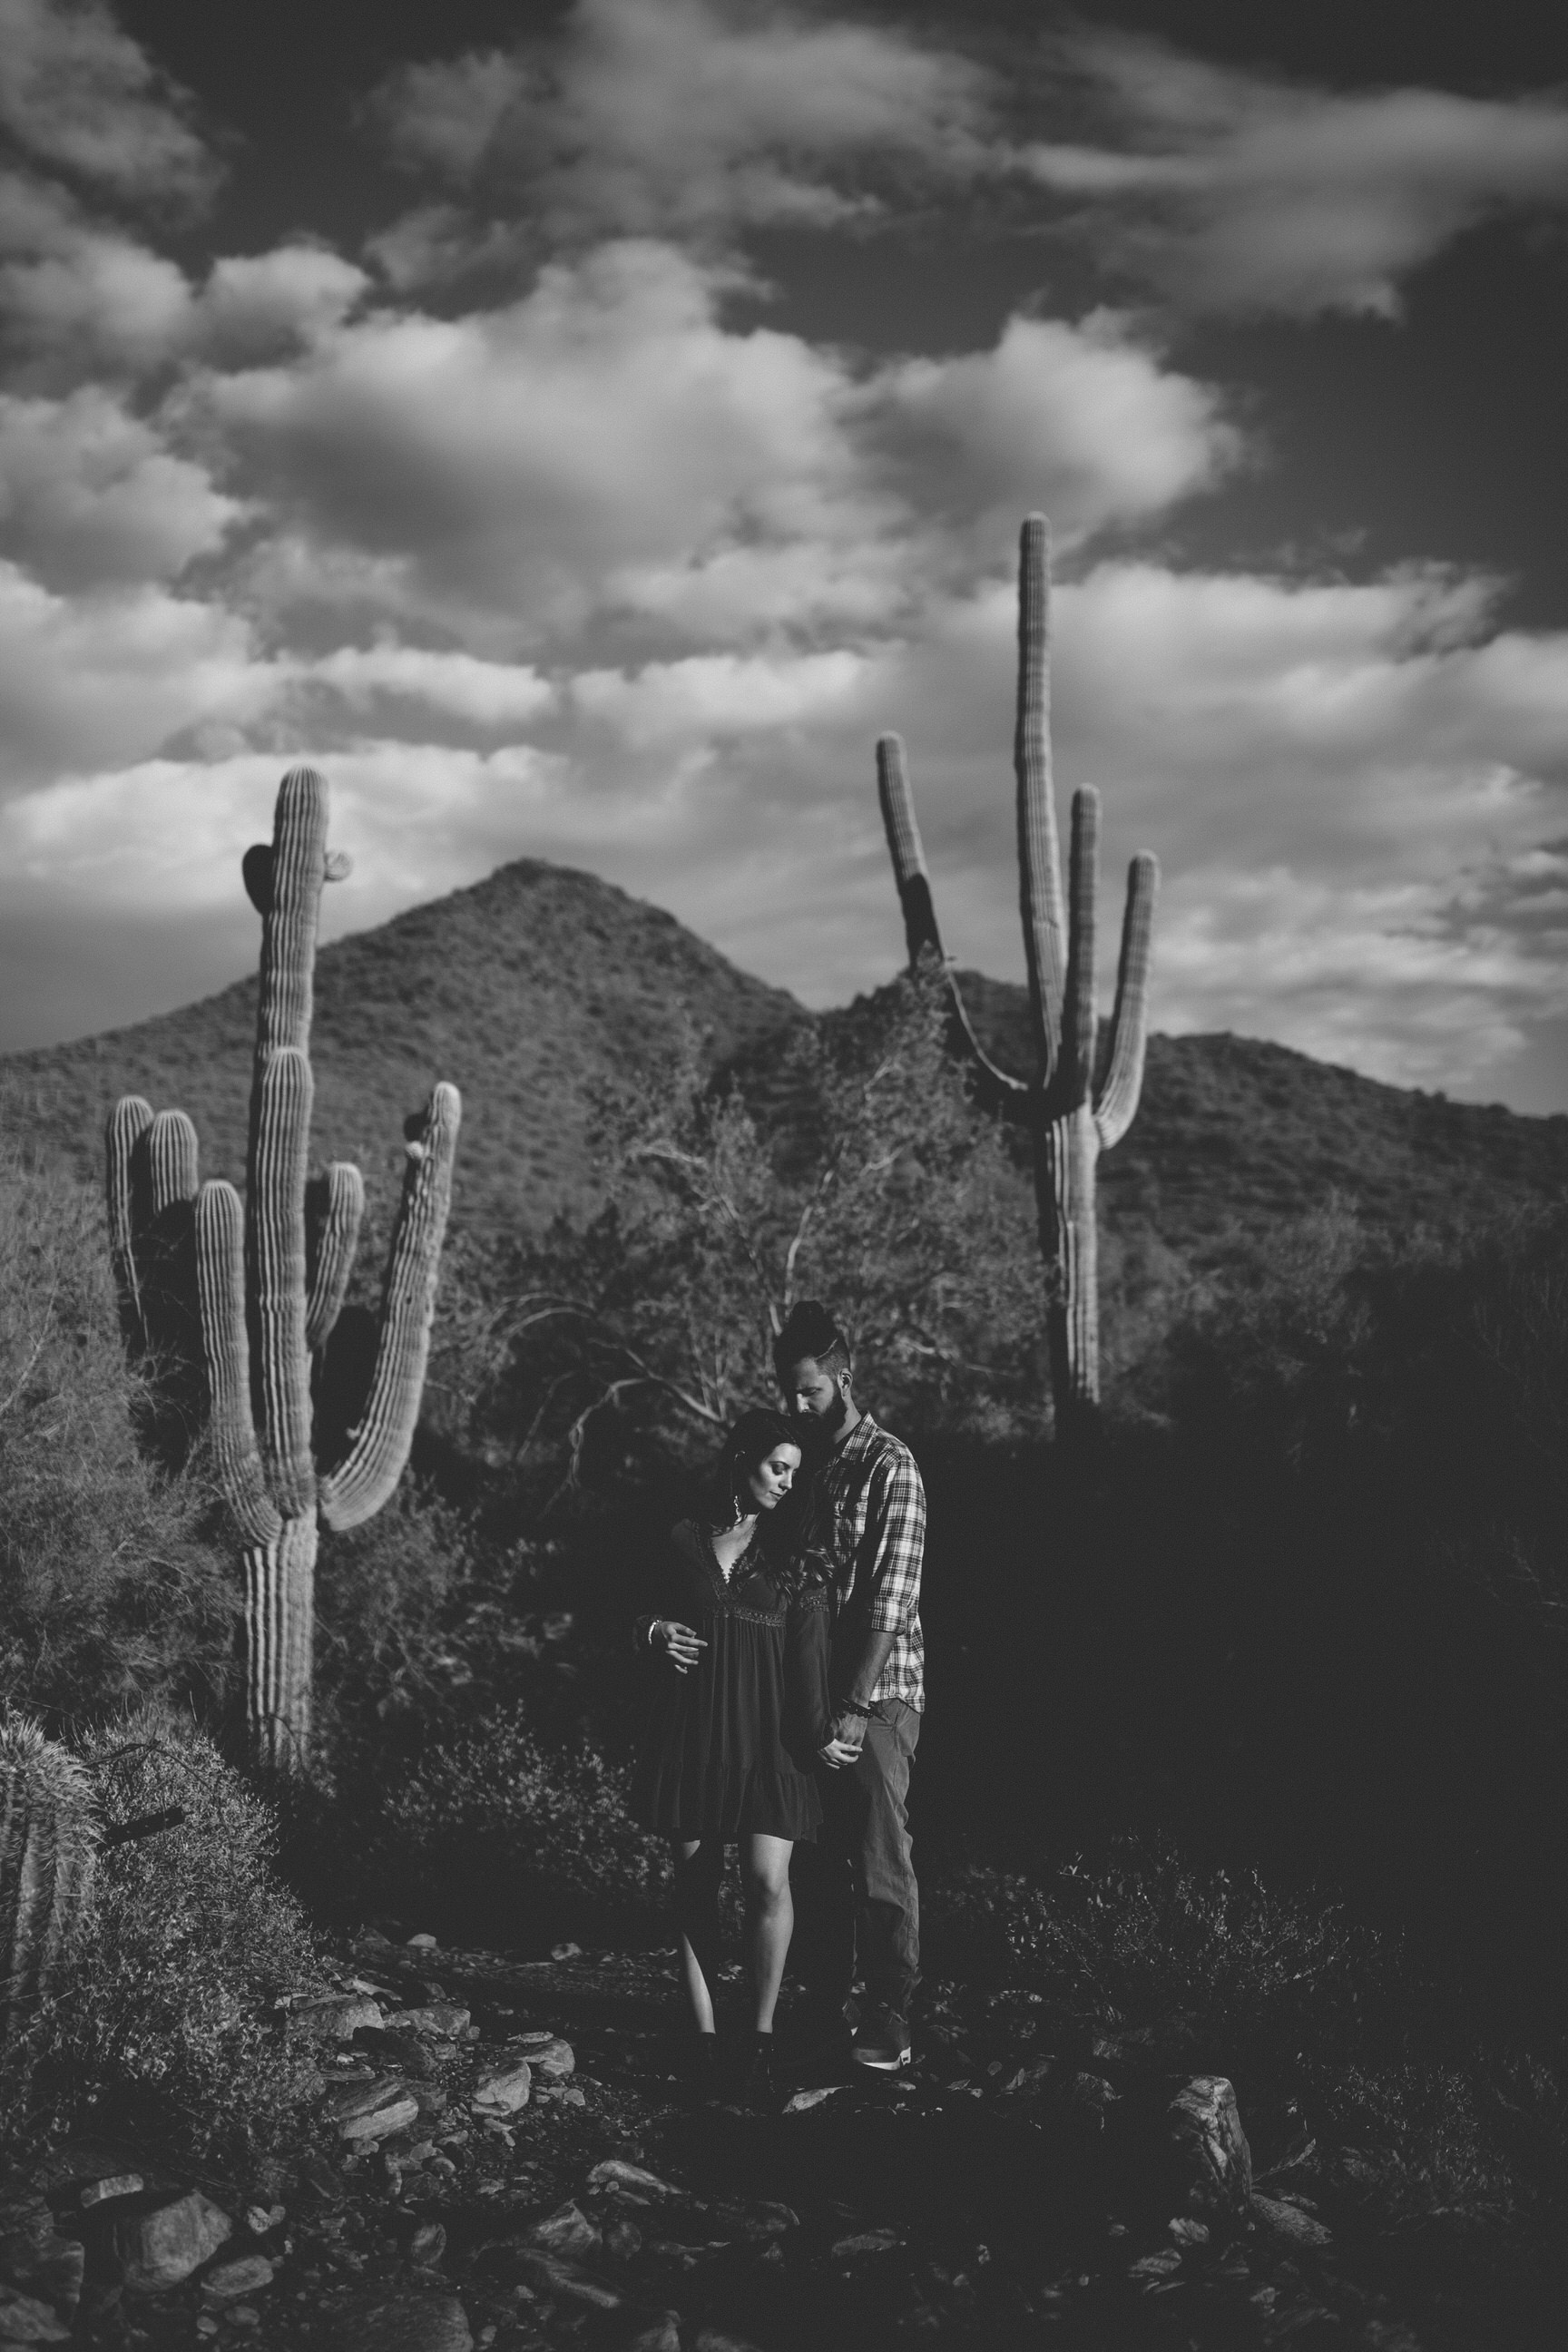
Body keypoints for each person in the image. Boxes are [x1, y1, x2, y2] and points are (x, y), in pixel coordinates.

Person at [631, 1407, 831, 2099]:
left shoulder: (796, 1554)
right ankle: (705, 2036)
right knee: (693, 1887)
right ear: (743, 1458)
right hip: (691, 1732)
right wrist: (652, 1630)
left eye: (794, 1473)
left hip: (769, 1742)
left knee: (766, 1882)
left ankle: (764, 2036)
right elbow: (631, 1605)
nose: (785, 1482)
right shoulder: (683, 1536)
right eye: (778, 1466)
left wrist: (826, 1732)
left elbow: (808, 1660)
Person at [775, 1301, 926, 2073]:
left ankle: (891, 2007)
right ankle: (825, 1997)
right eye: (789, 1393)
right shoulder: (802, 1464)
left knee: (874, 1839)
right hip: (810, 1691)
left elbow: (888, 1601)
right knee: (813, 1848)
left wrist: (855, 1707)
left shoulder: (887, 1464)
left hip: (878, 1692)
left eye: (811, 1392)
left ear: (844, 1376)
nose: (798, 1406)